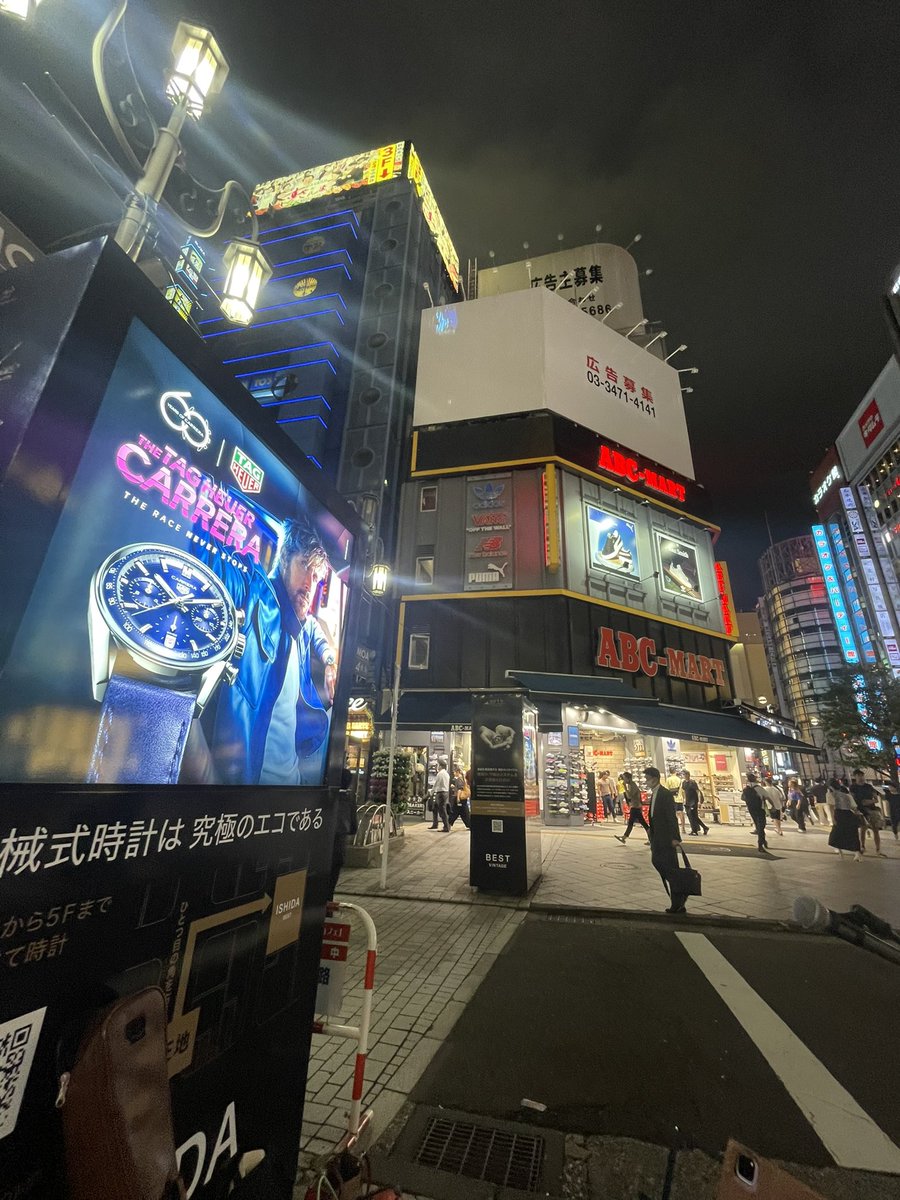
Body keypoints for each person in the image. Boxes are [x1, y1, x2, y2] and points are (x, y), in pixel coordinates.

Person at [189, 520, 339, 785]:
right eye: (304, 565)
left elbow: (316, 631)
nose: (308, 584)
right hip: (251, 788)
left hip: (294, 781)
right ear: (284, 559)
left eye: (315, 577)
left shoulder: (301, 626)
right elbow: (214, 567)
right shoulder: (257, 593)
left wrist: (330, 660)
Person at [646, 766, 689, 914]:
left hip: (666, 838)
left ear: (655, 779)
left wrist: (675, 838)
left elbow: (671, 817)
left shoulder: (664, 794)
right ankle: (679, 896)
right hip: (657, 837)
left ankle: (678, 902)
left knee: (670, 868)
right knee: (658, 862)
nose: (646, 782)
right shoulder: (655, 793)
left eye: (648, 779)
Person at [849, 769, 887, 858]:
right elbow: (852, 799)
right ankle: (862, 846)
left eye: (862, 776)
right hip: (861, 811)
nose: (861, 778)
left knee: (875, 829)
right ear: (855, 777)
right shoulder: (853, 787)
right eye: (858, 776)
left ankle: (878, 849)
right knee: (863, 829)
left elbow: (876, 799)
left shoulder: (869, 787)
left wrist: (870, 801)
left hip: (872, 809)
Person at [828, 776, 863, 859]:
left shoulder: (830, 795)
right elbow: (854, 806)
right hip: (849, 814)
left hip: (839, 815)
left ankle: (840, 851)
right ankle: (857, 853)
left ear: (830, 787)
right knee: (852, 834)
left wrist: (833, 819)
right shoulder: (847, 795)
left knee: (836, 834)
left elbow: (831, 807)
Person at [614, 772, 651, 844]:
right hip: (635, 806)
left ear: (628, 778)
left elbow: (630, 796)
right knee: (640, 823)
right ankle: (624, 837)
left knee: (634, 823)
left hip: (636, 807)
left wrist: (625, 787)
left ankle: (624, 837)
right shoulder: (631, 785)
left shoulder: (632, 785)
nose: (623, 780)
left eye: (624, 778)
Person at [742, 773, 768, 852]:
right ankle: (760, 843)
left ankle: (763, 841)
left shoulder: (746, 789)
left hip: (751, 809)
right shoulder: (758, 788)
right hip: (760, 808)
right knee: (761, 825)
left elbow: (742, 798)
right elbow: (767, 796)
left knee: (758, 825)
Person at [681, 770, 709, 836]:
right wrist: (684, 800)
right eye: (683, 775)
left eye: (685, 774)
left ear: (688, 775)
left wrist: (699, 801)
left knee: (691, 815)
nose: (684, 776)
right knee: (693, 816)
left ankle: (694, 830)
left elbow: (697, 791)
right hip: (687, 802)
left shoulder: (692, 782)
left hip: (693, 801)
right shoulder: (684, 783)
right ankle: (704, 828)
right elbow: (684, 792)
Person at [430, 756, 451, 831]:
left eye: (438, 765)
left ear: (440, 766)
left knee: (442, 810)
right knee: (435, 808)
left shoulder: (440, 774)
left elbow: (436, 784)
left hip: (441, 793)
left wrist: (431, 793)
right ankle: (435, 824)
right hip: (445, 792)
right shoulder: (446, 774)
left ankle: (446, 827)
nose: (437, 767)